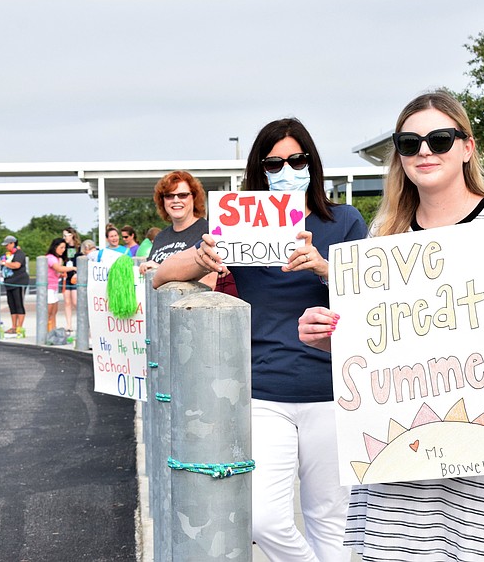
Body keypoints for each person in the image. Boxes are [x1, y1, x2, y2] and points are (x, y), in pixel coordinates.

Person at [297, 90, 484, 561]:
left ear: (467, 146)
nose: (424, 151)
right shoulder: (382, 239)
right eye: (409, 144)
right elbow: (371, 355)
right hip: (397, 474)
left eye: (439, 139)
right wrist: (329, 338)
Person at [153, 119, 368, 561]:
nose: (287, 169)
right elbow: (160, 275)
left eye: (297, 159)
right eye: (274, 162)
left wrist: (325, 267)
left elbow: (373, 298)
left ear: (312, 163)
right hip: (264, 390)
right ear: (259, 169)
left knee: (331, 519)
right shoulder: (239, 224)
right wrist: (202, 256)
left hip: (333, 391)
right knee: (261, 519)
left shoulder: (344, 220)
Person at [138, 170, 209, 277]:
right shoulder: (160, 237)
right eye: (169, 196)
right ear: (162, 200)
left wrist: (161, 270)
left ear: (194, 197)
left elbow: (211, 277)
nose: (176, 200)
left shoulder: (208, 232)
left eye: (183, 195)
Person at [0, 235, 29, 337]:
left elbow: (17, 265)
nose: (6, 247)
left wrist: (4, 263)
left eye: (7, 245)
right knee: (11, 304)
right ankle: (13, 326)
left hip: (19, 282)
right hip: (9, 282)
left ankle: (20, 327)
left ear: (12, 243)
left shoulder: (19, 254)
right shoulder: (6, 255)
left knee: (19, 303)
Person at [45, 238, 73, 332]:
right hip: (49, 288)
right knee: (48, 312)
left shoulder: (57, 258)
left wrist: (60, 274)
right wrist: (73, 268)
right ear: (55, 247)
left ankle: (53, 330)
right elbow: (58, 268)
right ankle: (47, 331)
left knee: (54, 312)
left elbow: (57, 271)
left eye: (64, 247)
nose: (63, 250)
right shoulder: (50, 258)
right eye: (61, 247)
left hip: (54, 287)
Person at [61, 228, 82, 335]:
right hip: (66, 276)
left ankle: (81, 322)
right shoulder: (64, 248)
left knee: (75, 301)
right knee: (67, 302)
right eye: (63, 236)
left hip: (75, 276)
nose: (65, 238)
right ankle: (69, 325)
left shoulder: (79, 248)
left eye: (67, 235)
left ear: (72, 235)